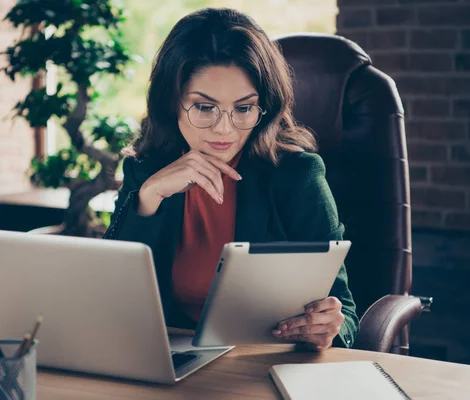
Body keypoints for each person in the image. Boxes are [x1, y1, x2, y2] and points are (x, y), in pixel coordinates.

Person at [104, 7, 358, 350]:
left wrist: (327, 328)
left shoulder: (298, 177)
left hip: (259, 362)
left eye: (243, 108)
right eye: (205, 107)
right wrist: (149, 197)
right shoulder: (146, 170)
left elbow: (346, 314)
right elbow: (110, 296)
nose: (224, 129)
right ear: (171, 103)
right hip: (163, 361)